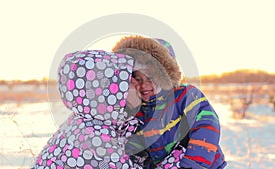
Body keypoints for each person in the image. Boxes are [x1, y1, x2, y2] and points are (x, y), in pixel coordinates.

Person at [112, 36, 227, 169]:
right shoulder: (138, 112)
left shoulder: (186, 96)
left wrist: (192, 165)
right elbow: (139, 147)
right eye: (137, 78)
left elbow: (206, 126)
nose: (144, 85)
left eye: (150, 77)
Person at [31, 50, 148, 169]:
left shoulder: (87, 123)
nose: (136, 82)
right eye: (127, 80)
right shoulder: (94, 139)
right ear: (107, 91)